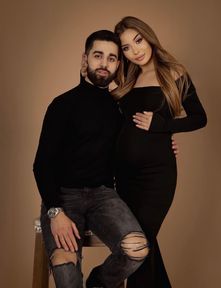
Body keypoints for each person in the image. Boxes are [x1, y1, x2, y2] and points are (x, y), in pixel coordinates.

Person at [33, 30, 150, 288]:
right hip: (64, 197)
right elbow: (41, 164)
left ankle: (97, 283)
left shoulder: (120, 109)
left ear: (118, 64)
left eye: (111, 58)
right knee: (65, 272)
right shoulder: (62, 104)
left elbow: (137, 144)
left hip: (103, 196)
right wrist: (56, 212)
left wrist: (166, 143)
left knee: (137, 250)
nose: (104, 64)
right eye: (98, 56)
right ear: (85, 59)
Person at [111, 16, 207, 288]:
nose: (135, 50)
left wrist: (163, 125)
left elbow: (200, 118)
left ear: (148, 36)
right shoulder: (127, 79)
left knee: (139, 242)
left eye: (138, 41)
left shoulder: (174, 73)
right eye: (126, 48)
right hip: (124, 176)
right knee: (141, 245)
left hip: (157, 175)